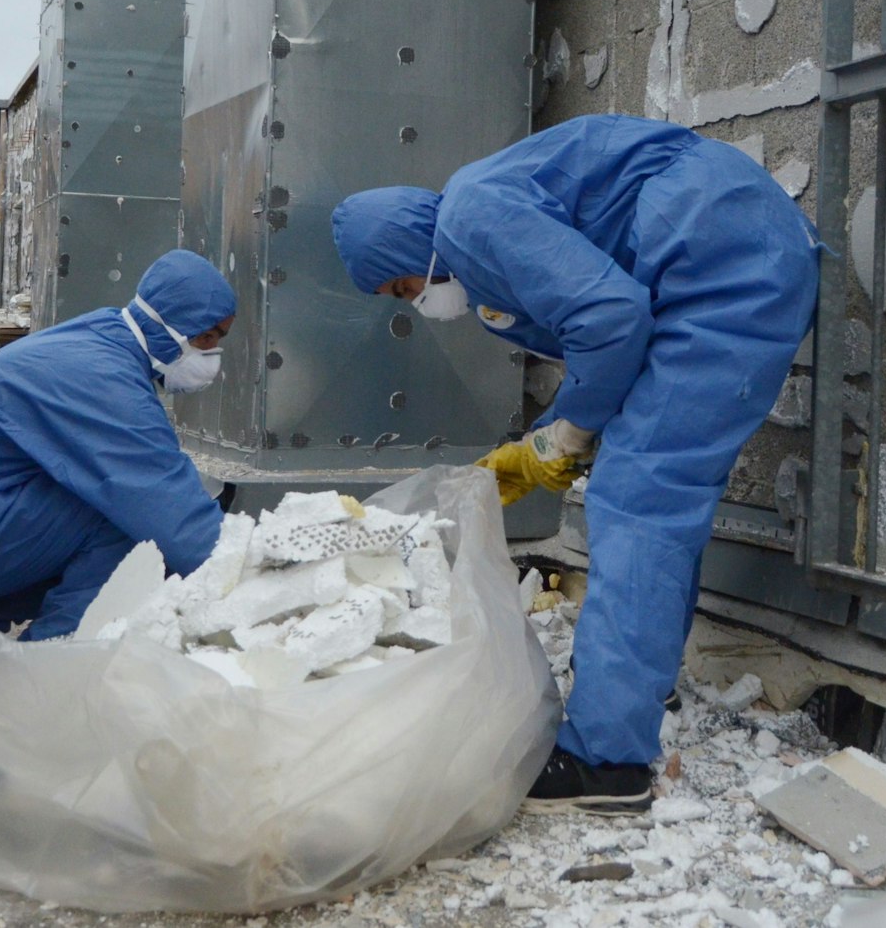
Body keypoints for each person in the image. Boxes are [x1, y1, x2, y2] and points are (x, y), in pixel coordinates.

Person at [331, 115, 820, 813]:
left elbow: (612, 318)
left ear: (408, 247)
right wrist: (547, 438)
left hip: (723, 262)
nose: (415, 301)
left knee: (637, 496)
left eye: (401, 287)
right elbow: (603, 333)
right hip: (721, 251)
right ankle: (640, 686)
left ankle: (606, 760)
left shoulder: (470, 219)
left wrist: (570, 432)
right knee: (648, 489)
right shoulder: (480, 229)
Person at [0, 249, 236, 646]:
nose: (210, 355)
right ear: (170, 326)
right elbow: (169, 510)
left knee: (114, 502)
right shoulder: (104, 377)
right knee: (132, 520)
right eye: (206, 338)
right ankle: (53, 655)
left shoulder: (102, 339)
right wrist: (250, 578)